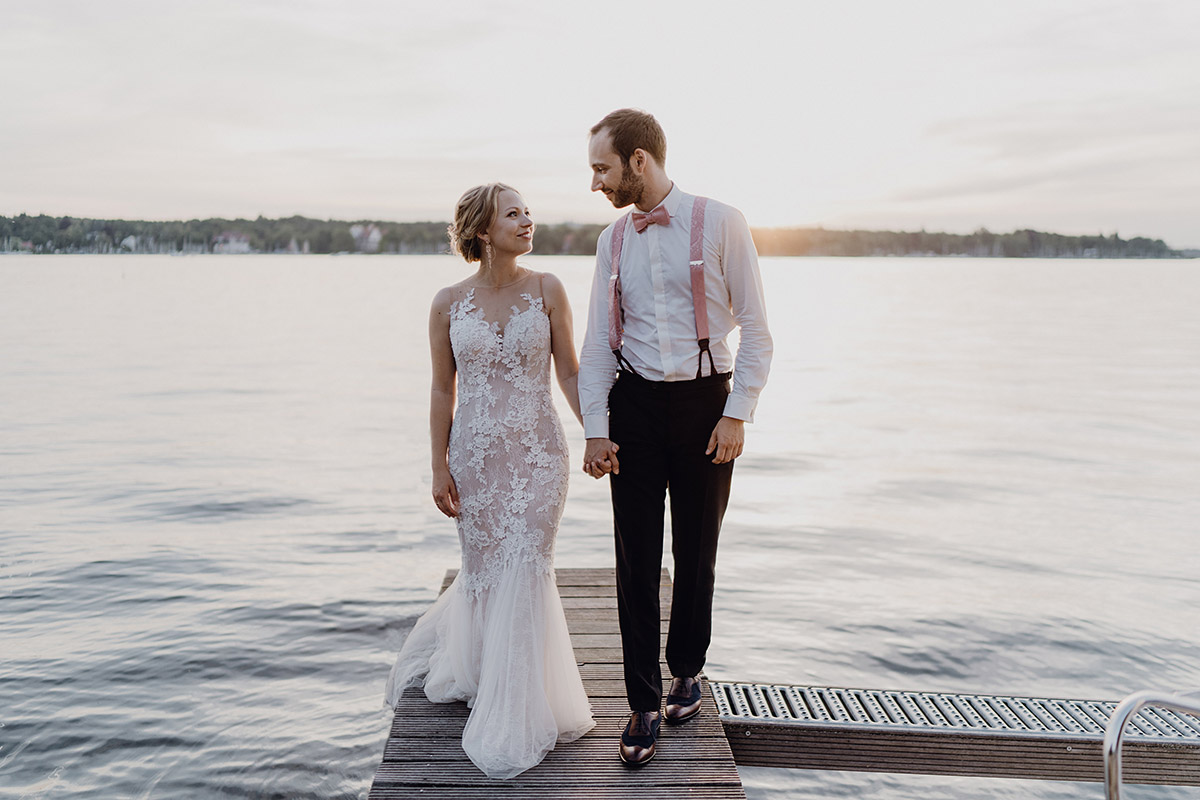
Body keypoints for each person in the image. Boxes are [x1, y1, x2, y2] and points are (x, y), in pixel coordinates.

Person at [578, 109, 772, 766]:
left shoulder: (721, 220)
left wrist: (736, 412)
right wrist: (596, 431)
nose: (596, 182)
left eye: (602, 167)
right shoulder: (612, 240)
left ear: (638, 160)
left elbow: (757, 330)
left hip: (704, 405)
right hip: (632, 404)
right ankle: (640, 703)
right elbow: (598, 346)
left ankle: (688, 665)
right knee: (634, 560)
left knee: (697, 548)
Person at [385, 183, 594, 779]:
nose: (528, 221)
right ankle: (479, 671)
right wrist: (437, 464)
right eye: (514, 214)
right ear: (483, 230)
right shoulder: (447, 302)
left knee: (528, 564)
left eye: (529, 212)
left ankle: (522, 705)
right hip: (474, 455)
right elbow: (440, 389)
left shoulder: (548, 289)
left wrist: (596, 433)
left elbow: (570, 371)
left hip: (538, 453)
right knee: (483, 569)